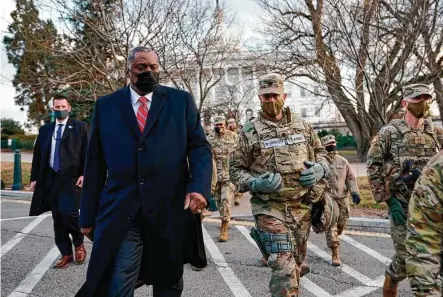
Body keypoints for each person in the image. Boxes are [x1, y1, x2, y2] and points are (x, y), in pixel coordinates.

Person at [76, 46, 212, 297]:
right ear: (129, 70)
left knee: (168, 278)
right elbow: (94, 163)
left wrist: (199, 187)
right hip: (125, 208)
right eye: (141, 67)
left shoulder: (180, 101)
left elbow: (200, 147)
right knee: (120, 276)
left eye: (153, 67)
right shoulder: (107, 106)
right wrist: (86, 215)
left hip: (168, 208)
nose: (148, 71)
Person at [230, 73, 334, 297]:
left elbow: (322, 153)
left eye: (274, 95)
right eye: (265, 96)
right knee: (284, 269)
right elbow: (235, 171)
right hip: (269, 208)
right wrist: (256, 182)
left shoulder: (302, 126)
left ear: (283, 95)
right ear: (259, 97)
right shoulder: (249, 131)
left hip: (302, 207)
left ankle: (295, 269)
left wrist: (320, 169)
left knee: (295, 261)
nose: (270, 100)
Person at [367, 83, 440, 297]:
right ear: (405, 103)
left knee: (430, 257)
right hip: (401, 203)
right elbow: (373, 166)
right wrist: (388, 201)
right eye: (418, 99)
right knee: (406, 255)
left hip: (430, 207)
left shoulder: (435, 132)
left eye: (427, 98)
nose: (423, 103)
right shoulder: (389, 132)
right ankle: (392, 277)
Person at [29, 94, 89, 268]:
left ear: (69, 108)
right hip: (50, 179)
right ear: (53, 109)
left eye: (63, 107)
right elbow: (38, 156)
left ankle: (78, 244)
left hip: (71, 179)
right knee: (57, 218)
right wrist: (34, 178)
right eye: (57, 107)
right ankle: (66, 253)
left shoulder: (80, 127)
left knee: (69, 213)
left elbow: (88, 153)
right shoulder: (45, 130)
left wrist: (85, 174)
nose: (61, 110)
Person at [321, 135, 360, 266]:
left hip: (342, 198)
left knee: (341, 223)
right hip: (328, 199)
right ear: (324, 147)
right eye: (329, 145)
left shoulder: (343, 161)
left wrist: (355, 192)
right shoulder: (320, 162)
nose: (332, 147)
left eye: (333, 144)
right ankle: (335, 252)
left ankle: (333, 237)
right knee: (331, 225)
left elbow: (350, 178)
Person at [207, 115, 237, 241]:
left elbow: (239, 154)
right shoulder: (209, 139)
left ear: (225, 124)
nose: (219, 127)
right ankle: (225, 217)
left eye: (221, 124)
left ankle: (224, 228)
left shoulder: (233, 136)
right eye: (217, 125)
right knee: (219, 202)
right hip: (215, 176)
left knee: (225, 200)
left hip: (228, 176)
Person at [227, 118, 243, 206]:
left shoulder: (240, 132)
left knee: (238, 176)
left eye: (232, 123)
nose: (231, 125)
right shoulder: (226, 133)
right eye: (229, 124)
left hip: (239, 157)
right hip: (229, 158)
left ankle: (237, 195)